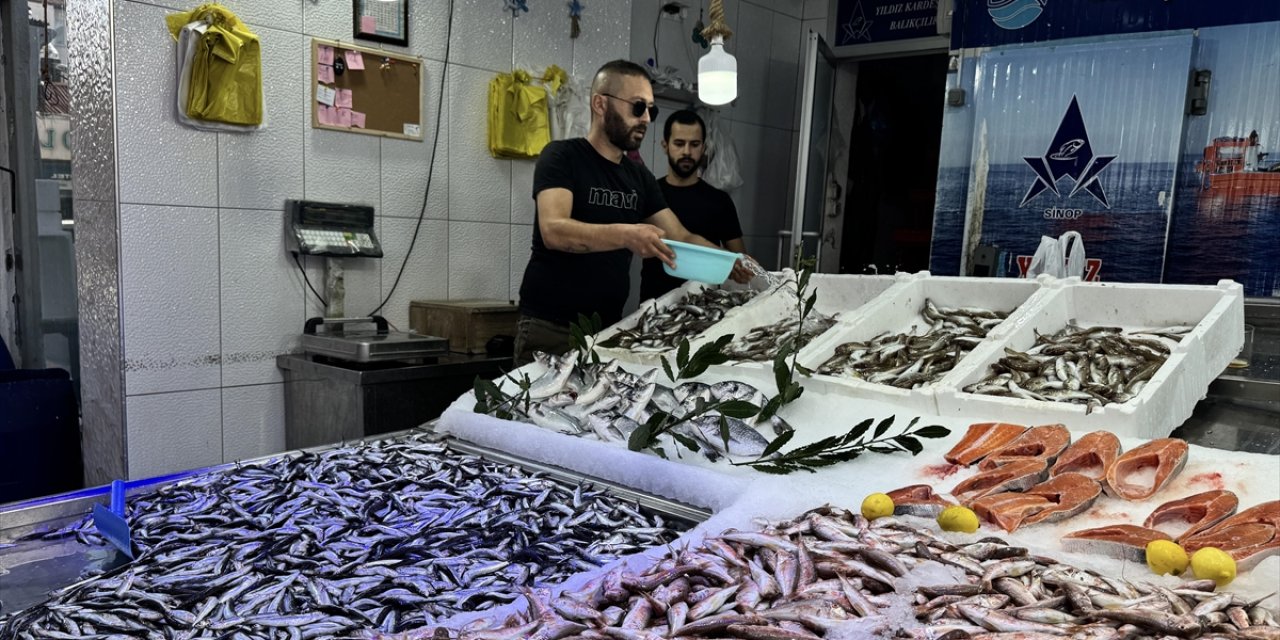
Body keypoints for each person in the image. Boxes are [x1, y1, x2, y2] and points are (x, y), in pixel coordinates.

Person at [514, 60, 753, 366]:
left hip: (608, 330)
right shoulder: (562, 157)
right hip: (550, 327)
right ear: (600, 104)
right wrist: (626, 234)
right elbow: (554, 230)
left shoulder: (638, 177)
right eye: (638, 107)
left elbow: (680, 234)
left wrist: (730, 261)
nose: (646, 119)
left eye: (650, 110)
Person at [640, 109, 747, 301]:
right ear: (665, 146)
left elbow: (739, 259)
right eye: (679, 144)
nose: (687, 152)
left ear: (704, 148)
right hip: (654, 305)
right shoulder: (650, 193)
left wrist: (740, 265)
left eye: (694, 144)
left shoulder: (720, 201)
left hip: (706, 307)